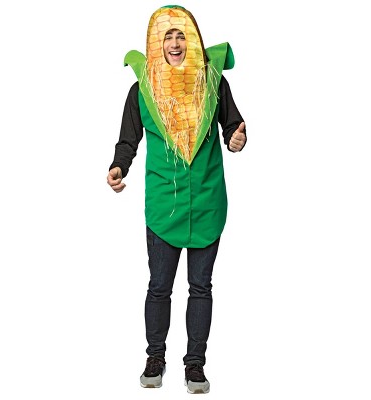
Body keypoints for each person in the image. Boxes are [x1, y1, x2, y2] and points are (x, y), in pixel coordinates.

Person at [107, 5, 246, 394]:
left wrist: (237, 138)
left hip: (206, 200)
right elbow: (128, 140)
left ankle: (195, 364)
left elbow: (233, 126)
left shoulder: (214, 83)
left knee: (201, 286)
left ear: (193, 41)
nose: (174, 42)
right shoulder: (142, 90)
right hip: (163, 204)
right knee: (159, 286)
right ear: (157, 43)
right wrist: (118, 166)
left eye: (181, 35)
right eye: (167, 36)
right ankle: (155, 356)